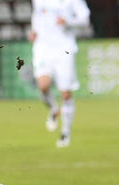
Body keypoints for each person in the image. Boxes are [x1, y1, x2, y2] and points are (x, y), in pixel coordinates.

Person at [28, 0, 90, 148]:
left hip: (64, 48)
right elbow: (36, 16)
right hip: (42, 47)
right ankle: (54, 109)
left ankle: (65, 132)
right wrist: (34, 31)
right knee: (43, 85)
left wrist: (68, 21)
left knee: (66, 94)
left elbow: (85, 20)